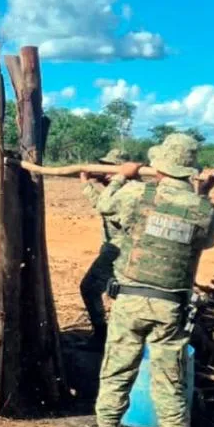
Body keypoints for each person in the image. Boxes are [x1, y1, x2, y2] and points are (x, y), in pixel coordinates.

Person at [87, 134, 214, 427]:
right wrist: (205, 192)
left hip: (131, 302)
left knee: (117, 372)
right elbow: (207, 238)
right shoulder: (204, 210)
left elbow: (104, 206)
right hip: (170, 308)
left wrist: (122, 175)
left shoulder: (138, 195)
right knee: (171, 384)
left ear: (160, 165)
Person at [79, 149, 128, 350]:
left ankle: (102, 336)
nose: (105, 171)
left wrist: (84, 182)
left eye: (110, 166)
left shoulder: (126, 191)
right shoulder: (119, 189)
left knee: (90, 288)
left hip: (118, 251)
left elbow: (102, 204)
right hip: (115, 250)